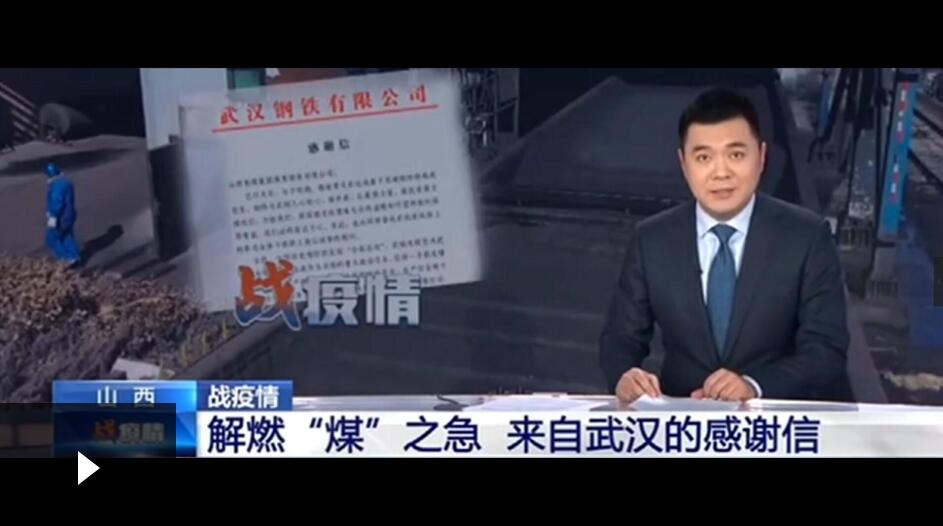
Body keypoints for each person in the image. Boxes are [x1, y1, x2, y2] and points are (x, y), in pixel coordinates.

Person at [599, 87, 849, 403]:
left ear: (761, 157)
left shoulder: (806, 236)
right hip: (681, 420)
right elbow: (620, 338)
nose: (721, 173)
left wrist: (754, 386)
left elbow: (826, 350)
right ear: (684, 164)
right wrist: (625, 375)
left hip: (769, 422)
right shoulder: (651, 239)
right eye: (704, 157)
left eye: (736, 155)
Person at [45, 162, 81, 266]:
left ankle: (65, 258)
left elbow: (57, 202)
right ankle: (74, 257)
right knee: (67, 236)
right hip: (69, 215)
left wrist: (53, 217)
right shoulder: (67, 182)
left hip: (61, 217)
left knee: (52, 239)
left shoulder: (57, 186)